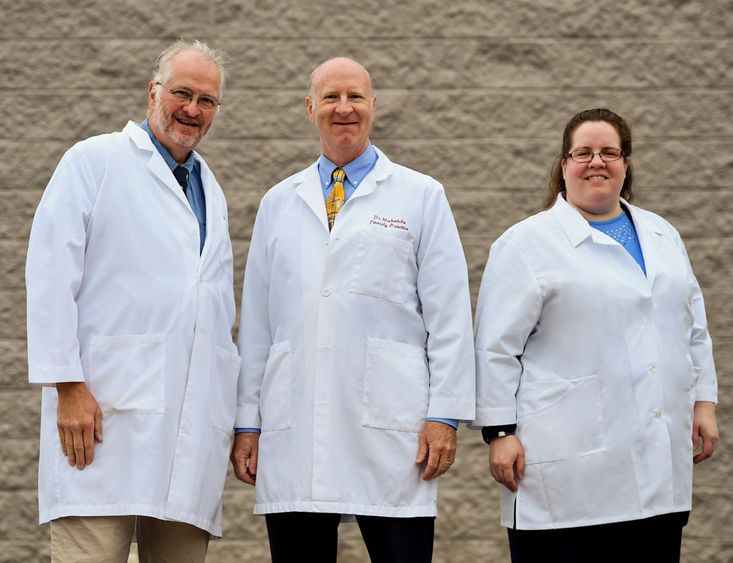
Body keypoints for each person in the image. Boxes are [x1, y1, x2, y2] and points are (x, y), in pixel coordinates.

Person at [230, 57, 475, 563]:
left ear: (373, 107)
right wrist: (248, 423)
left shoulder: (421, 195)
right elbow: (257, 324)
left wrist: (444, 415)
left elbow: (449, 316)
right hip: (294, 424)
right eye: (331, 97)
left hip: (392, 426)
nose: (344, 108)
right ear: (310, 108)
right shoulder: (279, 202)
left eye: (356, 97)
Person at [473, 108, 719, 563]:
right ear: (564, 165)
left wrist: (703, 401)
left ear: (626, 164)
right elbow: (494, 348)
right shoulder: (525, 244)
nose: (596, 162)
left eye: (610, 152)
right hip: (564, 470)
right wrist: (499, 432)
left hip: (656, 463)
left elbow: (692, 325)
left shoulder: (662, 234)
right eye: (582, 152)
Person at [25, 39, 239, 563]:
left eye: (206, 100)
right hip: (102, 423)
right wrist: (68, 384)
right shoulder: (93, 162)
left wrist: (230, 420)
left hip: (188, 439)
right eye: (182, 93)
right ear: (152, 92)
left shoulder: (210, 190)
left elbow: (216, 315)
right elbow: (50, 275)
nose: (192, 109)